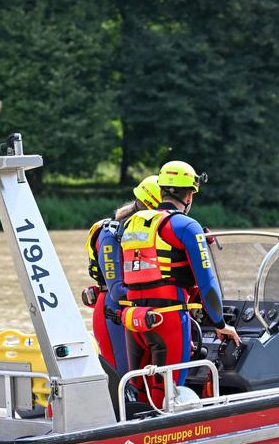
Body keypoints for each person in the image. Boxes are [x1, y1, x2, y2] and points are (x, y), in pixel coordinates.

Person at [121, 160, 239, 407]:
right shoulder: (186, 225)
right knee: (169, 393)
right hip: (169, 320)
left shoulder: (132, 224)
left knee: (140, 391)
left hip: (134, 320)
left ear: (161, 188)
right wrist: (220, 323)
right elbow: (207, 283)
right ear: (189, 194)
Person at [84, 175, 161, 373]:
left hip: (139, 312)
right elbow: (117, 290)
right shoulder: (110, 235)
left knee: (145, 376)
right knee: (124, 376)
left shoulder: (146, 234)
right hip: (113, 313)